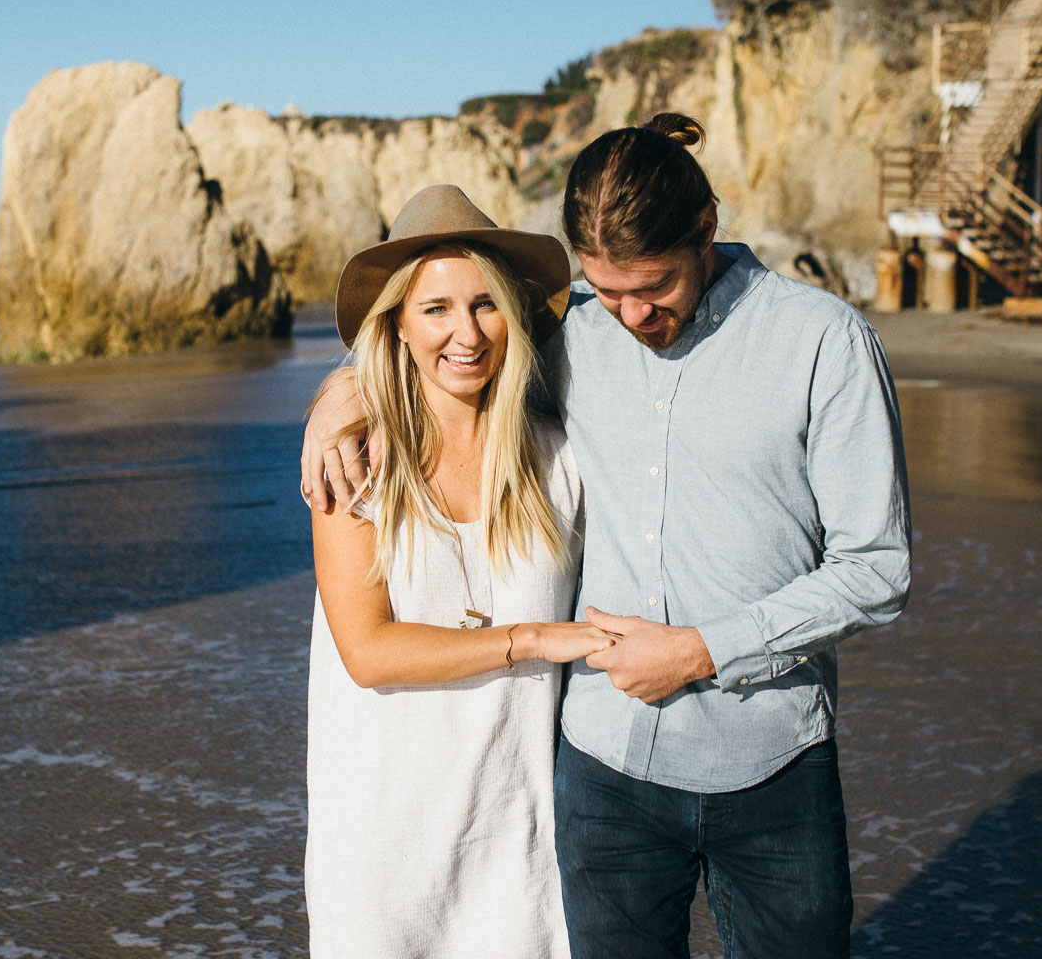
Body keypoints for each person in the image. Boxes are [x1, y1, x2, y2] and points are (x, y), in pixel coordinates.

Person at [305, 115, 912, 959]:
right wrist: (339, 399)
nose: (629, 314)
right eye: (606, 287)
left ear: (705, 229)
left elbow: (876, 569)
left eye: (653, 286)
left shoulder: (824, 344)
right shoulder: (572, 335)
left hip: (773, 758)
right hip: (604, 772)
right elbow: (443, 346)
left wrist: (703, 650)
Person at [303, 184, 615, 959]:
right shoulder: (355, 465)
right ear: (398, 326)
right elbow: (369, 653)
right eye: (435, 309)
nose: (466, 333)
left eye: (485, 305)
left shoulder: (562, 462)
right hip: (382, 852)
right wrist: (530, 639)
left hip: (518, 844)